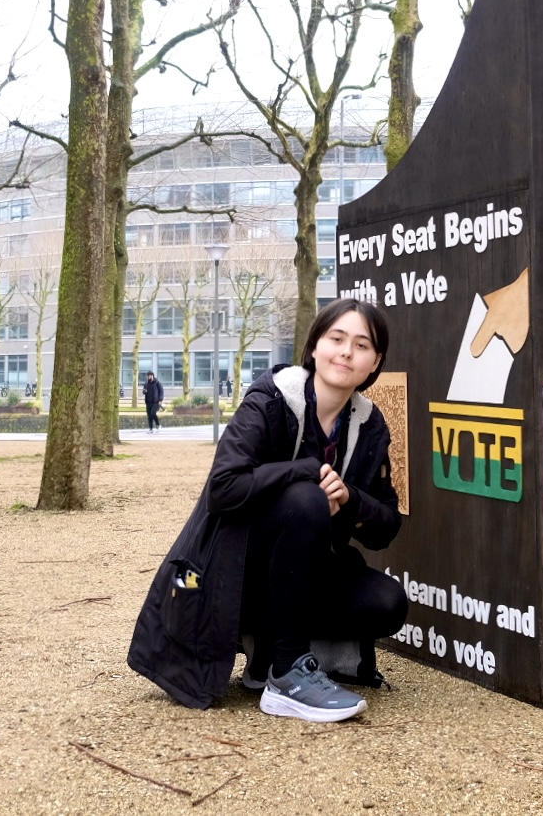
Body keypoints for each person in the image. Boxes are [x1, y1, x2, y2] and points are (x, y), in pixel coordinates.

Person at [128, 299, 408, 721]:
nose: (347, 352)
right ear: (315, 346)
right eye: (336, 338)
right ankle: (287, 672)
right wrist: (304, 472)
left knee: (387, 602)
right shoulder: (272, 397)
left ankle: (267, 651)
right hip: (232, 569)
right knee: (305, 498)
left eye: (362, 345)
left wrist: (350, 499)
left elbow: (384, 527)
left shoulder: (369, 425)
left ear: (375, 362)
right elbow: (222, 488)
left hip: (302, 574)